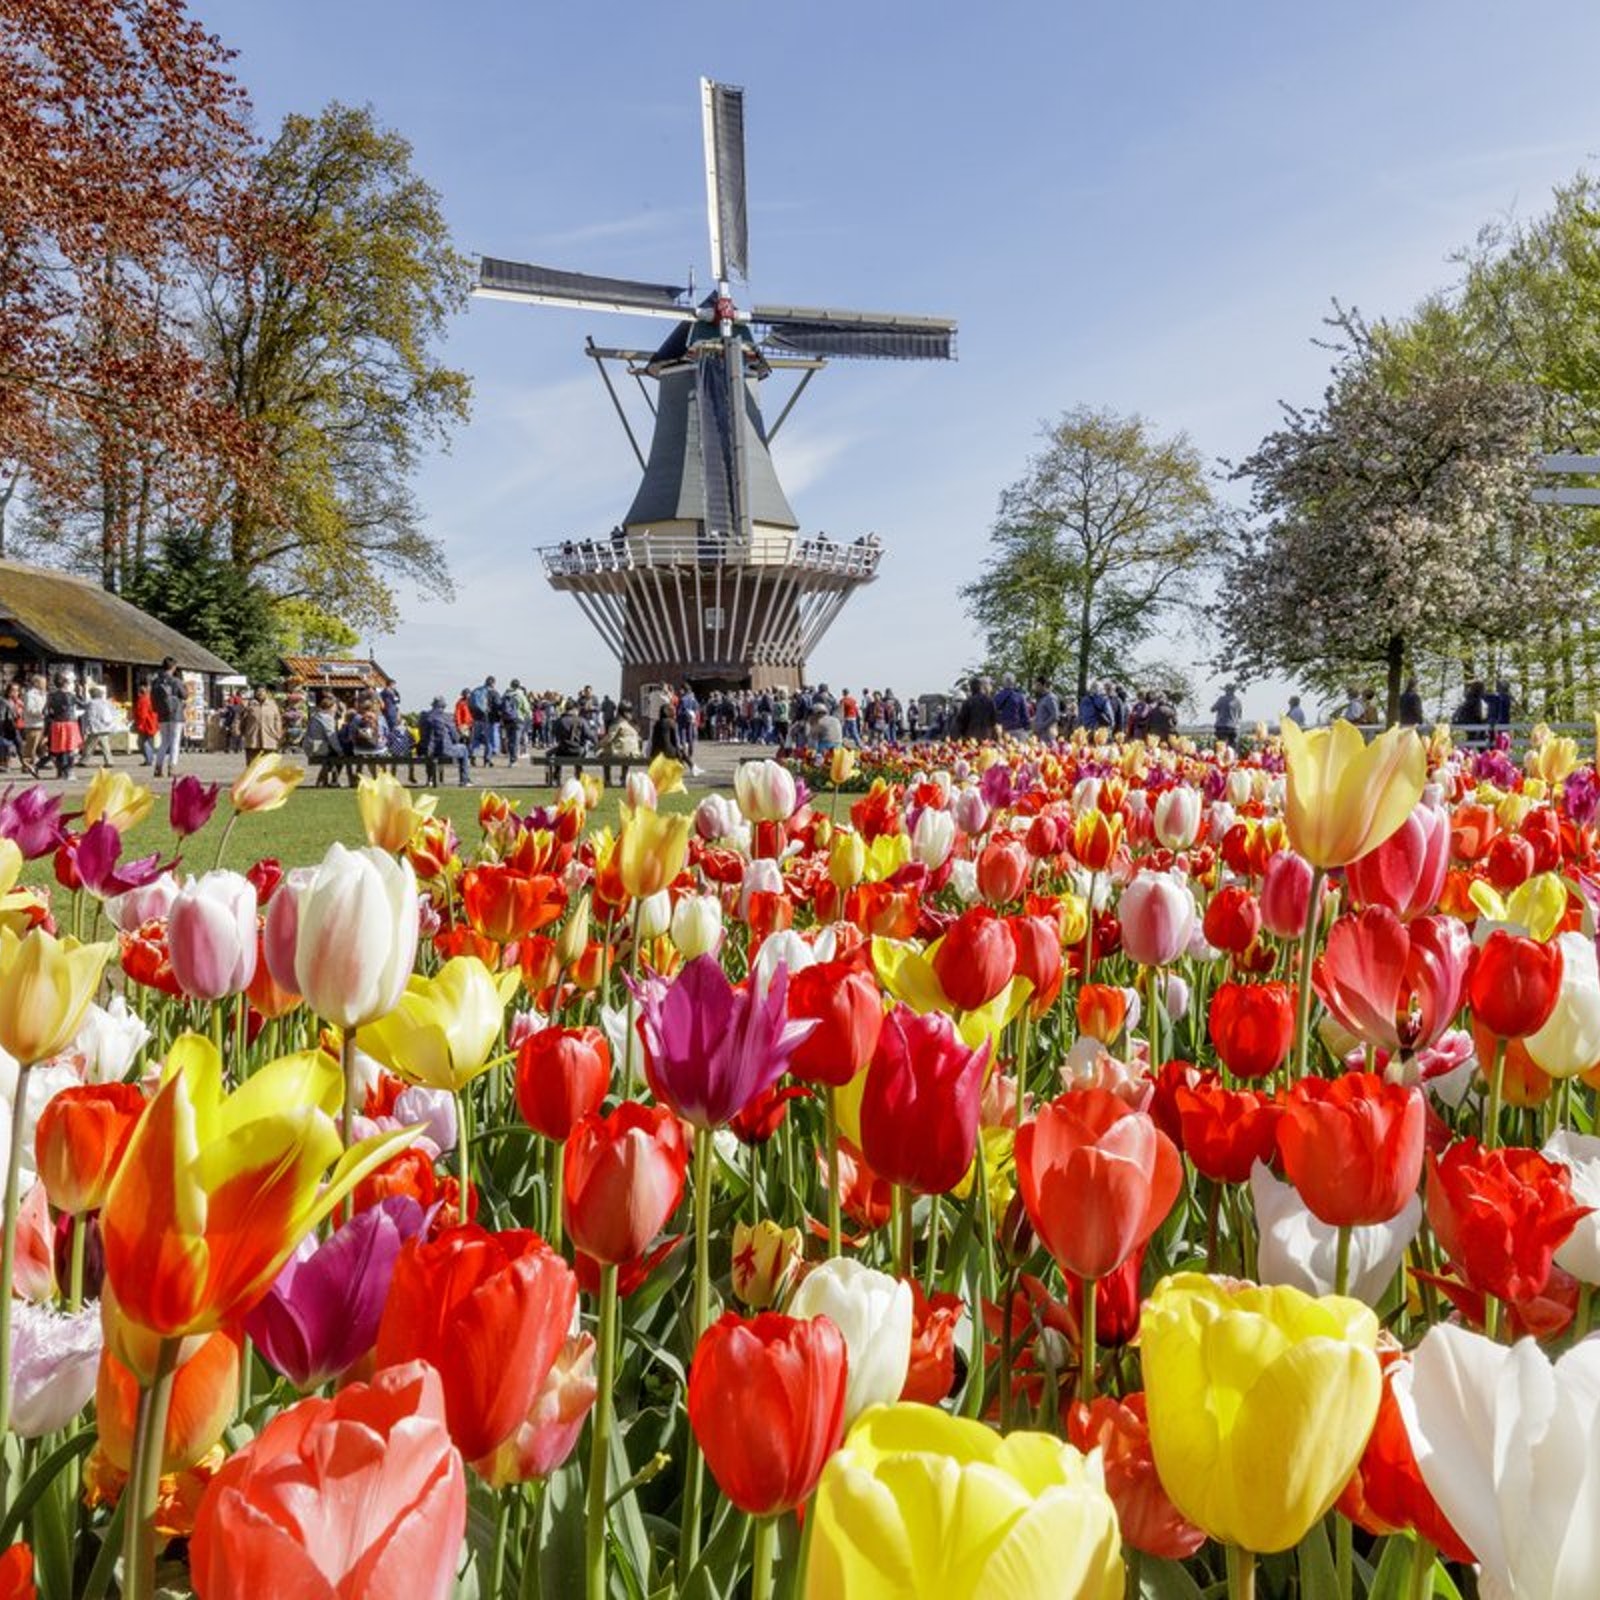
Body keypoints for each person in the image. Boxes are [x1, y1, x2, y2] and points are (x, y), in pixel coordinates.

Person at [418, 695, 471, 786]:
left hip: (426, 750)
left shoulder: (424, 717)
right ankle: (464, 780)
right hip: (444, 750)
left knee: (430, 748)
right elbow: (455, 737)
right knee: (464, 749)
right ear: (443, 706)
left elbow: (421, 733)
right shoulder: (446, 717)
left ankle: (430, 779)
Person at [149, 657, 186, 778]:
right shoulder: (176, 681)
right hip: (176, 713)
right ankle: (172, 767)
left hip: (162, 714)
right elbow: (184, 695)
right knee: (175, 741)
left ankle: (158, 768)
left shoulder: (156, 681)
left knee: (164, 741)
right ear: (173, 667)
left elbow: (152, 698)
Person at [45, 673, 81, 778]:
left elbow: (45, 711)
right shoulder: (70, 695)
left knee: (59, 748)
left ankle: (60, 771)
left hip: (56, 723)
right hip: (69, 723)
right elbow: (83, 704)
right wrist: (80, 692)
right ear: (66, 683)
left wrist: (53, 716)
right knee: (70, 748)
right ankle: (69, 771)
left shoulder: (50, 696)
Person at [240, 686, 283, 763]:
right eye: (258, 691)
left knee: (268, 763)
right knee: (253, 764)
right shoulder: (249, 705)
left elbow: (277, 720)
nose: (260, 693)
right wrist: (239, 731)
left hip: (269, 738)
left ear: (266, 693)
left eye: (262, 691)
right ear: (255, 693)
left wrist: (278, 733)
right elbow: (241, 719)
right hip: (253, 738)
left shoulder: (272, 705)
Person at [82, 685, 119, 767]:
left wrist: (87, 727)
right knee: (104, 745)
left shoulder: (91, 703)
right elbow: (114, 712)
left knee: (89, 745)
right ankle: (109, 761)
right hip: (105, 727)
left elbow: (89, 716)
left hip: (95, 728)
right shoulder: (106, 702)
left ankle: (84, 760)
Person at [133, 681, 159, 766]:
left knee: (142, 742)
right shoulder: (151, 698)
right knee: (149, 742)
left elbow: (142, 714)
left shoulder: (143, 699)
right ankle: (149, 759)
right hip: (152, 723)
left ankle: (149, 759)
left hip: (145, 724)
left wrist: (138, 723)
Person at [1211, 682, 1242, 747]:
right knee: (1232, 747)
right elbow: (1239, 715)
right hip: (1233, 727)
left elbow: (1212, 709)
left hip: (1221, 726)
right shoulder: (1238, 701)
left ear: (1226, 690)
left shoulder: (1221, 699)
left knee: (1221, 747)